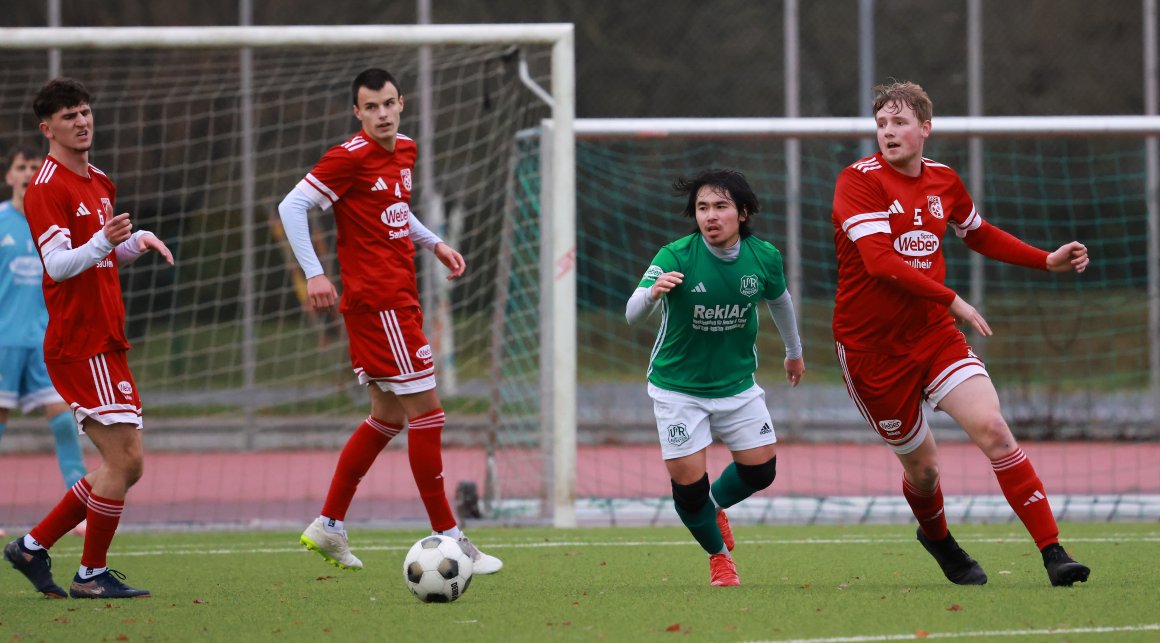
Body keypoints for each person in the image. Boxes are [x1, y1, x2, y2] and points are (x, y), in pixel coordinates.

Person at [830, 81, 1091, 587]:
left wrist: (1045, 260)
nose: (888, 132)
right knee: (924, 471)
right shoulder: (857, 181)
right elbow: (879, 262)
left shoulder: (944, 180)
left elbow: (978, 232)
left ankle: (1054, 554)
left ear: (925, 129)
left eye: (900, 123)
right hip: (871, 351)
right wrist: (952, 298)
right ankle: (940, 540)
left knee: (994, 429)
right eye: (882, 124)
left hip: (933, 335)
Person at [278, 67, 501, 575]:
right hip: (380, 303)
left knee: (388, 417)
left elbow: (396, 210)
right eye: (370, 107)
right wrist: (314, 273)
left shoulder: (405, 148)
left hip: (397, 296)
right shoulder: (347, 158)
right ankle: (451, 537)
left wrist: (435, 243)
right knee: (429, 414)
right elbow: (291, 206)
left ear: (401, 103)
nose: (381, 114)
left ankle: (329, 524)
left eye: (388, 104)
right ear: (357, 113)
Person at [3, 78, 174, 600]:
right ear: (47, 128)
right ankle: (90, 574)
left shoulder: (99, 180)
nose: (82, 121)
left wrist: (133, 244)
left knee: (129, 464)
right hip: (80, 341)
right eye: (70, 116)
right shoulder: (46, 188)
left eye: (85, 112)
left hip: (106, 335)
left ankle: (32, 547)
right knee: (122, 461)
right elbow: (58, 264)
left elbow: (97, 255)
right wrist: (104, 239)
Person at [626, 169, 805, 587]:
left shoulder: (763, 256)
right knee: (687, 489)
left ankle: (713, 506)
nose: (710, 216)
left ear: (742, 213)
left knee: (761, 472)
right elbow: (632, 313)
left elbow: (781, 302)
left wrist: (794, 353)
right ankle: (719, 558)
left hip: (737, 384)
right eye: (703, 208)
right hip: (677, 389)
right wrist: (653, 294)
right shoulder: (676, 255)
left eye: (721, 206)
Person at [0, 147, 88, 538]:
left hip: (42, 346)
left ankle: (81, 508)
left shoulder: (52, 224)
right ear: (9, 177)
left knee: (64, 422)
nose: (28, 172)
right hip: (2, 345)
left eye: (35, 167)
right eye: (21, 167)